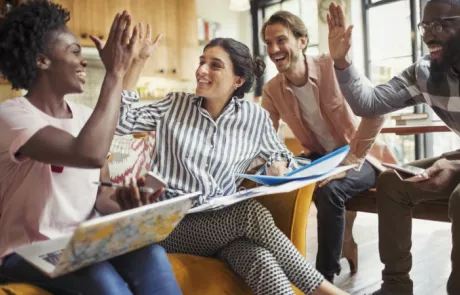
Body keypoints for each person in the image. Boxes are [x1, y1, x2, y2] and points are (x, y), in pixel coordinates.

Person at [117, 35, 349, 295]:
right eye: (202, 61)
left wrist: (278, 164)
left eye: (215, 65)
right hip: (170, 226)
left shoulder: (255, 118)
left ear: (237, 81)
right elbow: (121, 121)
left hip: (220, 226)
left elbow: (280, 154)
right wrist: (138, 61)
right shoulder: (174, 105)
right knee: (249, 213)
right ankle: (325, 290)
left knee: (259, 259)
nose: (201, 70)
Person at [0, 1, 181, 295]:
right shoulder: (12, 116)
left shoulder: (86, 118)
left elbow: (100, 193)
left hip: (81, 244)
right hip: (24, 251)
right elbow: (88, 154)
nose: (83, 60)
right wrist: (115, 72)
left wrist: (123, 203)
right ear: (42, 60)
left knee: (152, 256)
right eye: (74, 51)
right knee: (103, 281)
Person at [328, 0, 460, 294]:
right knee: (392, 182)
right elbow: (370, 103)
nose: (429, 36)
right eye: (425, 26)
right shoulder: (424, 72)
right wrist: (342, 62)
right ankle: (395, 286)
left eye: (441, 24)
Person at [260, 10, 397, 283]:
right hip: (320, 159)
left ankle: (323, 278)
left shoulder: (332, 67)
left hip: (361, 157)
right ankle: (280, 270)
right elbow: (263, 135)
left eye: (281, 40)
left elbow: (376, 109)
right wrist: (275, 160)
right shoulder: (272, 89)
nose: (274, 49)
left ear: (302, 41)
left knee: (330, 190)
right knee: (274, 186)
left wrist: (351, 161)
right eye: (268, 43)